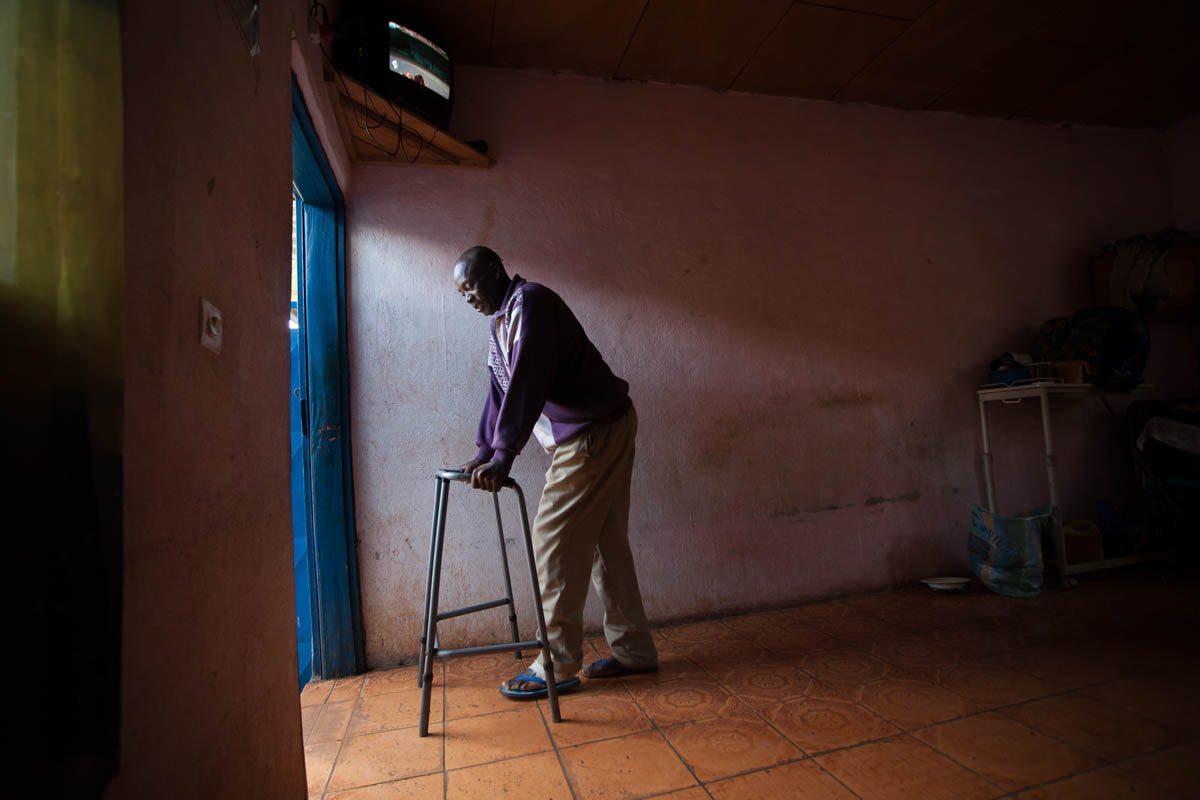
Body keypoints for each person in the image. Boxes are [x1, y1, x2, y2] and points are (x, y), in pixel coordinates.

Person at [452, 245, 659, 699]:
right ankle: (635, 651)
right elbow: (499, 387)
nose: (466, 296)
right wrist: (484, 448)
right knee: (605, 542)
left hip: (594, 428)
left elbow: (528, 378)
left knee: (553, 537)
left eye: (470, 285)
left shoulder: (532, 303)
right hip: (607, 422)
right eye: (460, 292)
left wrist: (504, 454)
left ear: (495, 269)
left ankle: (557, 662)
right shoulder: (501, 323)